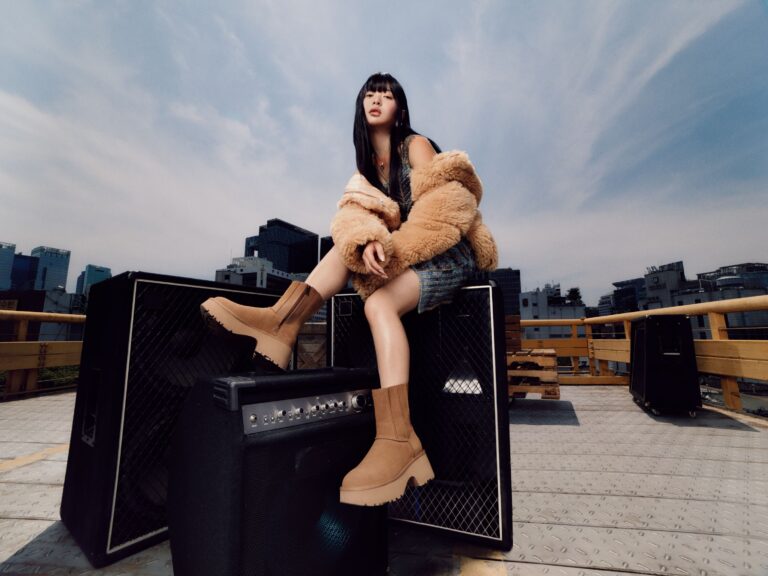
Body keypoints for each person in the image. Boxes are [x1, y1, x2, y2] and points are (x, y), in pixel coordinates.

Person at [201, 72, 498, 506]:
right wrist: (367, 240)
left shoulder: (414, 145)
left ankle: (399, 438)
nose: (377, 99)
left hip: (449, 253)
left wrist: (392, 250)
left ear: (400, 108)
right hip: (409, 254)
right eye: (370, 94)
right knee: (348, 244)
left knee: (380, 305)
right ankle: (283, 323)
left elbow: (444, 210)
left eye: (387, 95)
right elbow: (353, 219)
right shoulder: (365, 171)